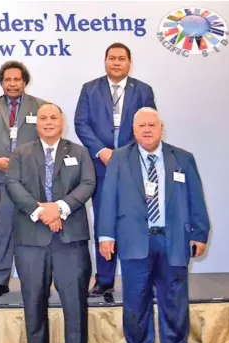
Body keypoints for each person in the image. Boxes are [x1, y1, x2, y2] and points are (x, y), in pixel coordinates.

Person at [97, 107, 210, 343]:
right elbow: (108, 199)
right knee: (136, 305)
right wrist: (106, 235)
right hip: (134, 242)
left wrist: (200, 233)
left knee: (175, 304)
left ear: (161, 128)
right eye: (142, 126)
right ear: (133, 130)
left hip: (174, 243)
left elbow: (195, 198)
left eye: (152, 125)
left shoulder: (182, 158)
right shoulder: (119, 158)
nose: (147, 130)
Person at [6, 103, 95, 343]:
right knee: (34, 307)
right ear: (36, 123)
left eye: (53, 117)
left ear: (62, 122)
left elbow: (88, 183)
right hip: (31, 241)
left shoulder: (78, 152)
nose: (48, 122)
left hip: (71, 243)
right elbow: (12, 184)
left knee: (75, 308)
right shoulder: (20, 153)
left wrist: (61, 207)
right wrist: (42, 212)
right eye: (42, 118)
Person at [74, 42, 157, 296]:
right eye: (112, 58)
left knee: (136, 219)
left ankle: (141, 276)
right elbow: (81, 123)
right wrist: (102, 151)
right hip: (100, 164)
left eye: (122, 58)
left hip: (134, 164)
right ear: (105, 61)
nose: (117, 62)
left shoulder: (143, 90)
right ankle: (105, 279)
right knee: (104, 219)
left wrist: (123, 154)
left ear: (129, 63)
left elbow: (147, 124)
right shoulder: (90, 89)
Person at [0, 60, 48, 298]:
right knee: (1, 230)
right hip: (0, 177)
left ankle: (35, 279)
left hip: (30, 180)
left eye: (17, 79)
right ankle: (0, 279)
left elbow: (47, 137)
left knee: (33, 230)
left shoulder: (41, 107)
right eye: (8, 80)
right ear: (2, 82)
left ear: (25, 81)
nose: (12, 84)